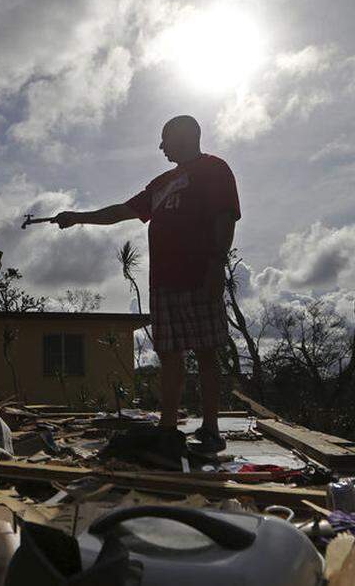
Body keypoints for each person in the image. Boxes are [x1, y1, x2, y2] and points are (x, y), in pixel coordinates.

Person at [52, 115, 240, 454]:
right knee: (169, 354)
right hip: (164, 282)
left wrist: (216, 265)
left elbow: (225, 217)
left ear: (183, 136)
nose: (161, 147)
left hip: (199, 275)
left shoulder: (214, 169)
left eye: (164, 139)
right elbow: (122, 211)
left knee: (207, 351)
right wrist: (78, 217)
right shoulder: (161, 183)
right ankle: (168, 428)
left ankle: (211, 429)